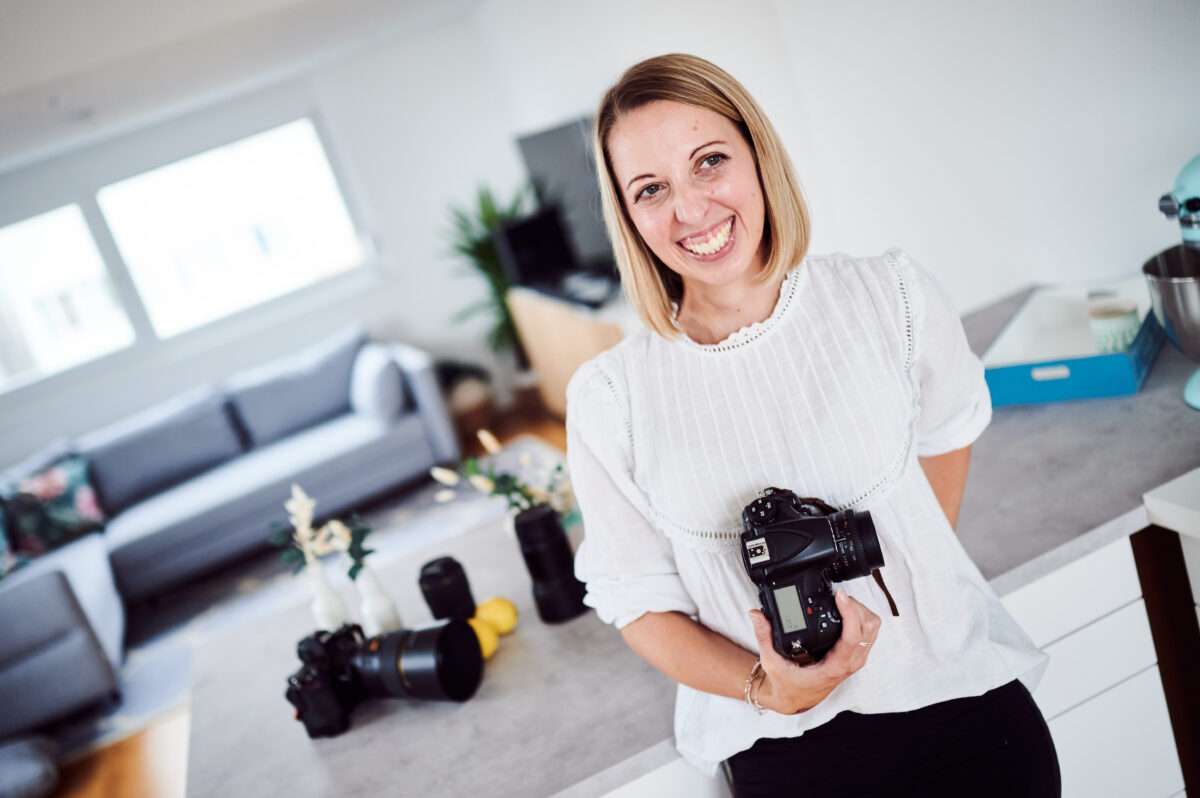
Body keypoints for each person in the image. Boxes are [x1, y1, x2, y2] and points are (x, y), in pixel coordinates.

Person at [564, 53, 1061, 798]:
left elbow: (949, 430)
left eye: (709, 162)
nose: (692, 211)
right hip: (792, 759)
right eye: (651, 189)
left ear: (758, 156)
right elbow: (638, 605)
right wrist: (770, 686)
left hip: (969, 719)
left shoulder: (889, 295)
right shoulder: (612, 397)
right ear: (629, 217)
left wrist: (903, 566)